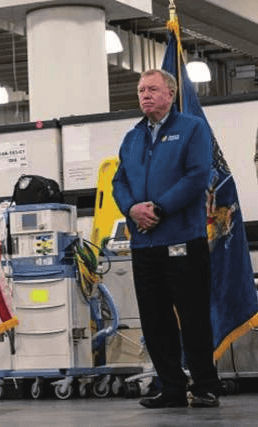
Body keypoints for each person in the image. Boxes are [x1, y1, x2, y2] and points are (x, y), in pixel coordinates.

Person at [112, 69, 222, 409]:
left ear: (170, 94)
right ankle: (172, 388)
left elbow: (197, 176)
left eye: (152, 89)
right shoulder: (132, 137)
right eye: (141, 89)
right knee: (155, 320)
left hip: (183, 240)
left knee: (192, 317)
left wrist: (158, 208)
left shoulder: (193, 128)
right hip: (144, 244)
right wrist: (132, 208)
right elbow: (119, 182)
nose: (145, 95)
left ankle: (205, 387)